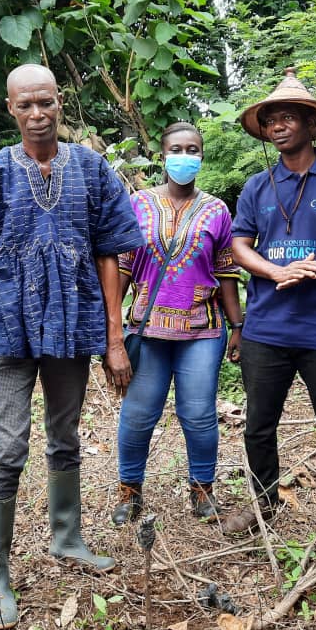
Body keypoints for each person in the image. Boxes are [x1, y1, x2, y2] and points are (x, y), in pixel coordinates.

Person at [0, 63, 144, 630]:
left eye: (46, 102)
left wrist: (114, 338)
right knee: (7, 447)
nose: (37, 114)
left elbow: (111, 256)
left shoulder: (94, 169)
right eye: (25, 104)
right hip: (6, 331)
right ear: (10, 108)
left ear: (60, 102)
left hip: (72, 327)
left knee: (65, 434)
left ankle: (67, 536)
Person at [224, 69, 316, 535]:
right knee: (259, 423)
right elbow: (240, 244)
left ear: (310, 122)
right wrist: (273, 270)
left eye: (287, 118)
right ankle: (263, 503)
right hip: (267, 327)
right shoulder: (257, 187)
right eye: (270, 122)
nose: (278, 127)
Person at [111, 122, 244, 525]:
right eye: (176, 149)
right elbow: (122, 265)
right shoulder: (138, 205)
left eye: (192, 149)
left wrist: (237, 326)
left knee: (199, 414)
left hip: (201, 330)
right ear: (162, 155)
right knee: (138, 414)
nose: (184, 156)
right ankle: (129, 492)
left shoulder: (217, 210)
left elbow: (226, 271)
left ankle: (202, 493)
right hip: (147, 331)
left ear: (200, 157)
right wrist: (111, 330)